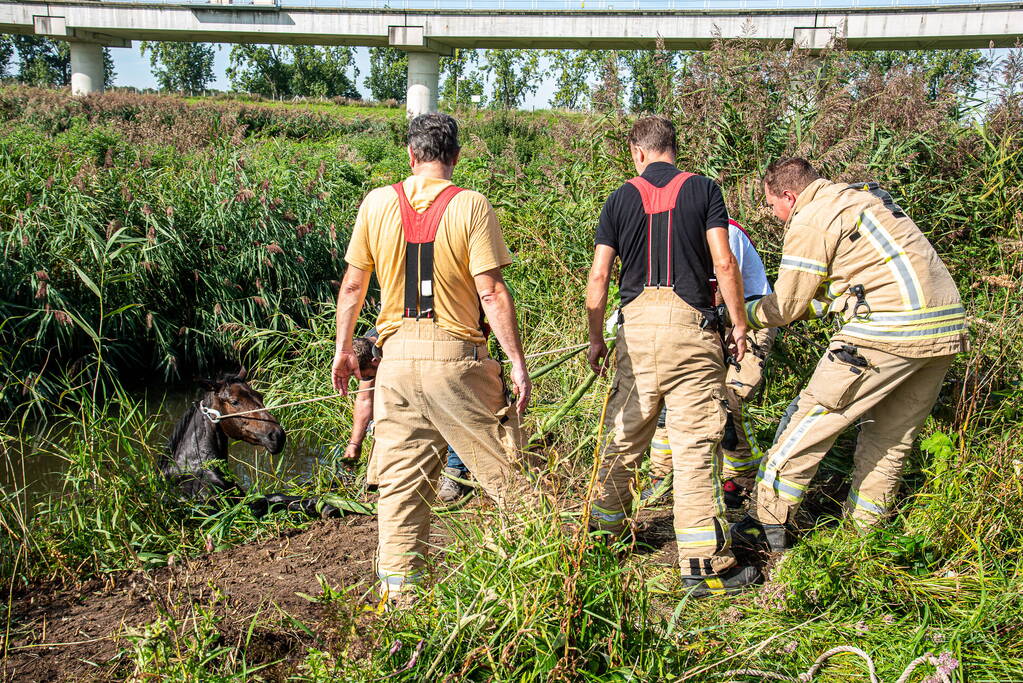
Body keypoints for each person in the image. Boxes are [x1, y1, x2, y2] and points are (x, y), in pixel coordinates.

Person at [331, 113, 538, 604]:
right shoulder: (471, 205)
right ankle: (538, 584)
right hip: (455, 358)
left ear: (410, 155)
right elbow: (490, 293)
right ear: (455, 157)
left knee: (400, 493)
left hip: (394, 367)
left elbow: (354, 286)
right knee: (508, 476)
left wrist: (342, 351)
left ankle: (400, 603)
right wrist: (516, 361)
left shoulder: (377, 203)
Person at [731, 158, 967, 552]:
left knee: (805, 429)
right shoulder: (860, 200)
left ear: (790, 195)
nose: (775, 216)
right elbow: (838, 292)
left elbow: (786, 307)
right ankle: (864, 540)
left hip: (885, 332)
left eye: (773, 206)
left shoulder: (811, 217)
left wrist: (738, 314)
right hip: (942, 331)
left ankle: (765, 527)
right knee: (890, 441)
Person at [585, 115, 759, 597]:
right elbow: (723, 261)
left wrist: (598, 337)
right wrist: (739, 325)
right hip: (691, 332)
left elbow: (599, 279)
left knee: (625, 436)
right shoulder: (704, 191)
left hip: (635, 332)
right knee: (692, 447)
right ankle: (702, 566)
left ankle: (602, 536)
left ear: (637, 154)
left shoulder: (619, 198)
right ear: (672, 150)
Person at [643, 219, 778, 508]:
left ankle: (740, 477)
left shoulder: (727, 231)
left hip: (749, 317)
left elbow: (725, 284)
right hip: (700, 319)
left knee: (730, 397)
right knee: (671, 390)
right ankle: (662, 475)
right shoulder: (669, 234)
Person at [341, 332, 473, 504]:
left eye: (368, 375)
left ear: (376, 362)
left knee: (449, 411)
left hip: (441, 363)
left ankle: (455, 473)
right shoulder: (365, 349)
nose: (367, 379)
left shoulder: (399, 343)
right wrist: (354, 444)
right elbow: (365, 399)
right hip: (411, 377)